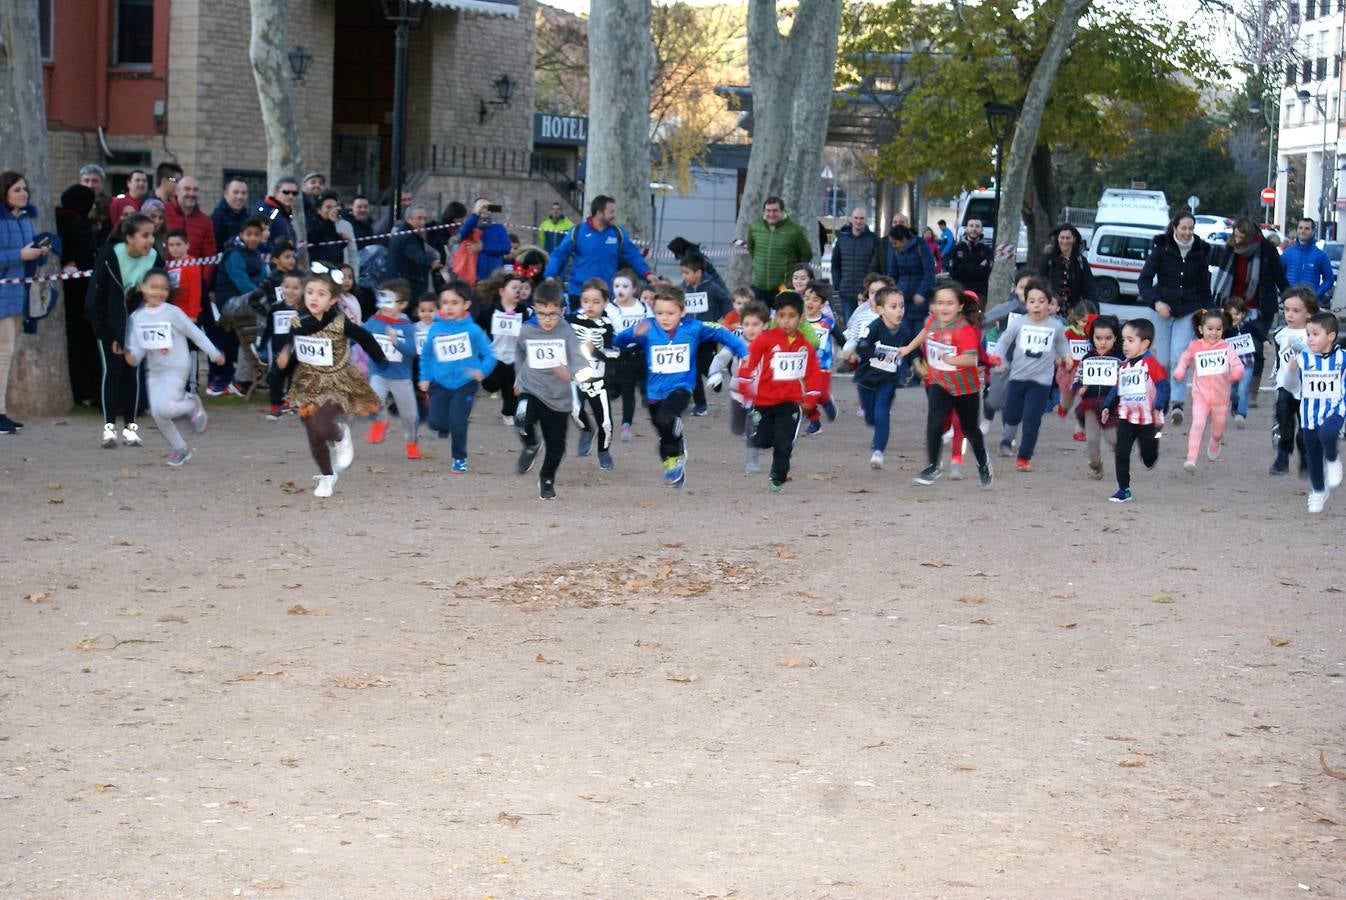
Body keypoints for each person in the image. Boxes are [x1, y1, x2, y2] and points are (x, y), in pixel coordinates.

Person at [614, 283, 748, 488]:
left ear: (682, 312)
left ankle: (675, 432)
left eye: (670, 313)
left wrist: (743, 352)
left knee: (667, 417)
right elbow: (618, 341)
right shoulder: (647, 327)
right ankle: (672, 463)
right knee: (663, 431)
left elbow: (722, 333)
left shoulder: (693, 328)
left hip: (682, 387)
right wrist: (632, 334)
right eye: (659, 313)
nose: (665, 318)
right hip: (654, 391)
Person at [275, 269, 387, 497]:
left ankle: (341, 435)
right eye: (310, 292)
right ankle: (327, 476)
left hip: (337, 381)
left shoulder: (339, 322)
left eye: (321, 294)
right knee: (314, 436)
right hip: (308, 382)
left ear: (332, 300)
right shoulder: (298, 321)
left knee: (322, 424)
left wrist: (380, 358)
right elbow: (290, 340)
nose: (314, 298)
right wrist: (285, 353)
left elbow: (365, 337)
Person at [896, 282, 993, 488]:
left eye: (949, 303)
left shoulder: (964, 329)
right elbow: (925, 332)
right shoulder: (933, 321)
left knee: (970, 430)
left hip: (965, 388)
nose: (943, 308)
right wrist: (908, 348)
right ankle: (933, 465)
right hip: (940, 382)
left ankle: (983, 462)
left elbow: (970, 360)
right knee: (934, 422)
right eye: (939, 303)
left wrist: (950, 360)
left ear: (959, 306)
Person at [122, 269, 223, 466]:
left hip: (177, 367)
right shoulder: (137, 317)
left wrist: (214, 353)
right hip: (155, 371)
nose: (158, 292)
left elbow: (195, 334)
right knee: (158, 413)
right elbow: (136, 352)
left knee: (165, 408)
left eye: (164, 288)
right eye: (154, 287)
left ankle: (192, 405)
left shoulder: (173, 313)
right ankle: (181, 449)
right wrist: (129, 356)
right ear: (143, 288)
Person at [514, 281, 599, 500]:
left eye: (552, 314)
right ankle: (532, 445)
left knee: (557, 446)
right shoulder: (527, 330)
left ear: (562, 310)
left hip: (558, 397)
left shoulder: (567, 333)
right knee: (521, 419)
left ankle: (547, 478)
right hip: (531, 388)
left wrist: (568, 373)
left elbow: (582, 365)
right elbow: (520, 354)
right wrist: (518, 378)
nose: (547, 320)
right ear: (535, 309)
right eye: (542, 314)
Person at [86, 214, 165, 447]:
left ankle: (131, 429)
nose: (150, 240)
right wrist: (108, 335)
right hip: (109, 325)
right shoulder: (110, 257)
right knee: (113, 373)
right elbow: (94, 301)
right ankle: (109, 428)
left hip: (137, 327)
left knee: (133, 375)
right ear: (129, 237)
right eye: (145, 235)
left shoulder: (154, 259)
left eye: (152, 235)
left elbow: (159, 297)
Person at [733, 292, 824, 493]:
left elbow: (813, 373)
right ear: (775, 316)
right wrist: (745, 384)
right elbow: (749, 362)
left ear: (800, 318)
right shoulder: (765, 339)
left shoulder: (804, 346)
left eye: (792, 316)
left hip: (790, 402)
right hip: (763, 401)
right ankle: (758, 427)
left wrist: (811, 396)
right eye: (782, 315)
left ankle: (778, 476)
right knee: (762, 440)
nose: (786, 321)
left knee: (784, 442)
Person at [1137, 212, 1211, 426]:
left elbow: (1204, 289)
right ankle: (1162, 397)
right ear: (1175, 228)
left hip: (1188, 310)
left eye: (1191, 228)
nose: (1187, 233)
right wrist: (1156, 302)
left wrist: (1211, 313)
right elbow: (1144, 281)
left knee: (1179, 357)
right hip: (1162, 309)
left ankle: (1178, 402)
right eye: (1183, 228)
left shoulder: (1200, 253)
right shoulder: (1161, 250)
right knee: (1163, 360)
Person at [992, 277, 1072, 472]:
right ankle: (1007, 439)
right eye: (1032, 301)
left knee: (1032, 419)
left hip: (1041, 381)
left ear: (1049, 304)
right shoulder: (1018, 323)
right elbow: (1003, 342)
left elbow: (1062, 346)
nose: (1037, 306)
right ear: (1026, 303)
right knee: (1011, 414)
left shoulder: (1055, 326)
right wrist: (999, 359)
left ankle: (1024, 457)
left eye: (1042, 301)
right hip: (1017, 376)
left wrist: (1067, 358)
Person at [417, 280, 495, 473]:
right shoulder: (435, 329)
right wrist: (425, 377)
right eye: (444, 303)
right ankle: (444, 424)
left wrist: (482, 371)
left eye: (454, 302)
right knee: (435, 422)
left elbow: (490, 354)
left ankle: (459, 458)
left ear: (466, 305)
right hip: (439, 382)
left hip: (465, 383)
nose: (449, 307)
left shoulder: (473, 330)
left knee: (458, 422)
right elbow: (426, 356)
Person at [0, 171, 57, 434]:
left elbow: (28, 258)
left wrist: (39, 253)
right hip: (3, 293)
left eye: (25, 189)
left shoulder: (25, 219)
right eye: (17, 189)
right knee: (3, 355)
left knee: (6, 355)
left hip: (18, 295)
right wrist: (19, 254)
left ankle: (1, 412)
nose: (23, 193)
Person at [1210, 216, 1286, 403]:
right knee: (1228, 348)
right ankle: (1229, 387)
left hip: (1259, 307)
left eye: (1241, 237)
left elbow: (1279, 277)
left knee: (1256, 348)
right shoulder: (1230, 248)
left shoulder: (1267, 250)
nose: (1237, 240)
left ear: (1251, 236)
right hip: (1231, 307)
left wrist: (1291, 297)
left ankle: (1251, 391)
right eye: (1235, 236)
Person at [1100, 319, 1169, 503]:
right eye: (1123, 340)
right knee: (1121, 452)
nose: (1125, 345)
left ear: (1145, 343)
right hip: (1127, 418)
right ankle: (1124, 489)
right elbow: (1117, 389)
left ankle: (1157, 440)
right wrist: (1108, 406)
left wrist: (1159, 405)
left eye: (1130, 340)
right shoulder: (1124, 366)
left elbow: (1163, 387)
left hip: (1148, 419)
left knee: (1149, 456)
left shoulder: (1152, 364)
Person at [1285, 311, 1346, 512]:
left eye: (1315, 334)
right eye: (1308, 334)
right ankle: (1318, 491)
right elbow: (1290, 386)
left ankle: (1333, 459)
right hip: (1309, 413)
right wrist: (1291, 371)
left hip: (1335, 408)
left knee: (1328, 434)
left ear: (1331, 336)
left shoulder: (1343, 358)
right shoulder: (1302, 358)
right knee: (1312, 454)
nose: (1310, 339)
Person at [1171, 308, 1245, 473]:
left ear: (1223, 329)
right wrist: (1180, 371)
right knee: (1197, 423)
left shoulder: (1226, 347)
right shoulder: (1195, 346)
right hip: (1201, 395)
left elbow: (1237, 364)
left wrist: (1235, 373)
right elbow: (1184, 359)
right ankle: (1191, 458)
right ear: (1200, 329)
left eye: (1218, 329)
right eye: (1210, 329)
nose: (1214, 333)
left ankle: (1215, 441)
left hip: (1221, 397)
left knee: (1218, 429)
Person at [543, 194, 652, 304]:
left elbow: (633, 255)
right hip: (579, 293)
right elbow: (559, 254)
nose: (614, 215)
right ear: (599, 213)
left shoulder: (618, 233)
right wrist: (550, 275)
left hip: (607, 295)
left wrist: (647, 273)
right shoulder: (578, 231)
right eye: (611, 212)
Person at [854, 285, 917, 469]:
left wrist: (917, 364)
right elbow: (862, 347)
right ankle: (875, 429)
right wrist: (879, 352)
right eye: (893, 307)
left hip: (888, 380)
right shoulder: (873, 328)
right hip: (866, 380)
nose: (899, 311)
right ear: (880, 309)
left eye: (902, 306)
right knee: (871, 418)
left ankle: (878, 452)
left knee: (882, 413)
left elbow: (911, 349)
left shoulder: (904, 331)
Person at [209, 216, 267, 395]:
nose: (252, 238)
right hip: (230, 303)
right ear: (241, 235)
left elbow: (266, 280)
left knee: (247, 338)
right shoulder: (233, 254)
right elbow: (242, 284)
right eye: (248, 234)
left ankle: (243, 379)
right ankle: (263, 346)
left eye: (256, 235)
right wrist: (265, 294)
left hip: (250, 302)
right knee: (267, 305)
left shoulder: (257, 255)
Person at [363, 286, 421, 459]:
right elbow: (358, 335)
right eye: (382, 300)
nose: (384, 305)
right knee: (371, 402)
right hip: (378, 373)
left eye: (389, 301)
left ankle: (411, 442)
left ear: (402, 304)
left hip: (401, 377)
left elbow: (412, 351)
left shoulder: (408, 327)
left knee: (410, 416)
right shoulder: (374, 321)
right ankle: (380, 421)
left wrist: (396, 341)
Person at [566, 278, 619, 469]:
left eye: (596, 302)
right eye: (586, 301)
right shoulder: (570, 320)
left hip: (597, 380)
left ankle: (604, 452)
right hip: (574, 378)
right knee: (575, 410)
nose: (590, 306)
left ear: (605, 303)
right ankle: (587, 430)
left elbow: (613, 355)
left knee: (605, 422)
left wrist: (595, 350)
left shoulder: (607, 326)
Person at [55, 184, 100, 407]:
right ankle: (84, 390)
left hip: (71, 293)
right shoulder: (77, 226)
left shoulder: (62, 221)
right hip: (79, 293)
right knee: (83, 343)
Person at [474, 268, 531, 427]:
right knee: (490, 384)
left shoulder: (523, 311)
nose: (518, 291)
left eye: (520, 289)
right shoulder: (491, 309)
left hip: (513, 357)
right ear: (502, 291)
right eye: (514, 288)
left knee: (510, 389)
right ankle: (492, 386)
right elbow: (477, 326)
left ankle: (508, 412)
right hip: (494, 355)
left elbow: (527, 331)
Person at [1269, 287, 1316, 477]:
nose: (1290, 314)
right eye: (1287, 310)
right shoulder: (1280, 334)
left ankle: (1306, 460)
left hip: (1307, 389)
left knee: (1305, 428)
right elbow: (1280, 361)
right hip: (1286, 386)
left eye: (1296, 311)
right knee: (1284, 421)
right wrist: (1276, 379)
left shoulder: (1314, 335)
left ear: (1309, 312)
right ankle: (1282, 458)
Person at [1072, 314, 1124, 480]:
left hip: (1112, 405)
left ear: (1115, 338)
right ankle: (1096, 465)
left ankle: (1122, 459)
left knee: (1113, 438)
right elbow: (1077, 378)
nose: (1103, 342)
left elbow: (1127, 379)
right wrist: (1079, 388)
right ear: (1092, 338)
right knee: (1092, 440)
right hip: (1090, 404)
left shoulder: (1120, 359)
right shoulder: (1087, 358)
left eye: (1108, 338)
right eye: (1098, 338)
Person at [680, 252, 730, 415]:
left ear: (698, 272)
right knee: (691, 368)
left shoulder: (711, 287)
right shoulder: (683, 289)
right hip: (688, 336)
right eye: (683, 273)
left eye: (687, 273)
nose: (684, 276)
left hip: (707, 335)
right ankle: (701, 405)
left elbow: (725, 301)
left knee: (706, 364)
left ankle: (715, 377)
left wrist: (726, 319)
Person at [605, 269, 650, 441]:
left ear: (634, 289)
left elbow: (652, 327)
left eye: (625, 286)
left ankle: (626, 424)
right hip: (617, 354)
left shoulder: (643, 308)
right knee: (617, 386)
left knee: (629, 390)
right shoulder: (609, 308)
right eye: (616, 286)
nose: (620, 290)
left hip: (638, 353)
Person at [746, 196, 813, 306]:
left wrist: (792, 275)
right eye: (768, 210)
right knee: (759, 321)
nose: (771, 214)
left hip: (783, 287)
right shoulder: (754, 227)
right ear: (764, 211)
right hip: (759, 287)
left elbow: (806, 254)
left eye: (775, 211)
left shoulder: (794, 230)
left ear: (782, 211)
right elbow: (752, 250)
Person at [259, 271, 303, 420]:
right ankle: (276, 405)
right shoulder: (276, 308)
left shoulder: (303, 310)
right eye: (287, 286)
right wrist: (262, 345)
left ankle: (291, 402)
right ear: (281, 287)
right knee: (275, 376)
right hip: (278, 351)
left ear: (303, 290)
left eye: (296, 288)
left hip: (297, 351)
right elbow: (269, 329)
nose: (290, 291)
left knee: (295, 376)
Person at [163, 175, 218, 286]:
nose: (191, 194)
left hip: (192, 282)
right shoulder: (163, 212)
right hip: (163, 279)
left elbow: (210, 257)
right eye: (187, 189)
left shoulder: (205, 222)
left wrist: (203, 283)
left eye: (195, 190)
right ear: (177, 192)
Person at [831, 208, 882, 322]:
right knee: (849, 326)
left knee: (866, 326)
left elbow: (877, 265)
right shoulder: (842, 239)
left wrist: (870, 288)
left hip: (867, 293)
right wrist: (838, 284)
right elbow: (835, 264)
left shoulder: (874, 240)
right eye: (856, 218)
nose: (858, 221)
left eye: (861, 218)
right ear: (850, 219)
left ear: (866, 220)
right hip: (846, 291)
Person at [887, 224, 936, 336]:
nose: (893, 246)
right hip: (903, 300)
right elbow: (893, 274)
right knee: (904, 335)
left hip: (920, 301)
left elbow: (929, 271)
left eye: (895, 243)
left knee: (919, 334)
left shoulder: (921, 246)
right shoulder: (896, 252)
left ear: (904, 240)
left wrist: (921, 293)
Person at [386, 204, 441, 294]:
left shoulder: (408, 233)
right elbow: (414, 253)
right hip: (404, 287)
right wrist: (431, 262)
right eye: (419, 218)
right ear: (409, 219)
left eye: (424, 219)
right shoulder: (407, 236)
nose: (423, 222)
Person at [1038, 223, 1096, 307]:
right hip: (1051, 309)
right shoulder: (1048, 259)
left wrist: (1093, 316)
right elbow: (1038, 281)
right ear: (1057, 239)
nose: (1065, 241)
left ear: (1074, 239)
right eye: (1062, 238)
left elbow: (1090, 290)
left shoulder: (1081, 262)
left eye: (1068, 238)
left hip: (1073, 311)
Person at [1280, 217, 1336, 304]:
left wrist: (1315, 295)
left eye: (1307, 229)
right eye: (1300, 228)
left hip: (1310, 305)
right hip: (1290, 302)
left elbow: (1329, 280)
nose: (1303, 231)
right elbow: (1278, 276)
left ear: (1313, 231)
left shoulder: (1320, 255)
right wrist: (1284, 293)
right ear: (1297, 230)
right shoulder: (1287, 253)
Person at [459, 198, 512, 282]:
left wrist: (483, 247)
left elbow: (506, 247)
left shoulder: (498, 228)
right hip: (474, 275)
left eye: (488, 207)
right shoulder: (471, 226)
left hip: (494, 275)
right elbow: (462, 234)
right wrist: (475, 214)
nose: (485, 210)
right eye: (482, 207)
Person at [1223, 298, 1258, 426]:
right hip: (1231, 366)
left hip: (1247, 364)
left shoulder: (1248, 326)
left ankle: (1241, 414)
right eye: (1231, 314)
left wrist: (1265, 341)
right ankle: (1235, 403)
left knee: (1243, 389)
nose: (1234, 317)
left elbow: (1258, 333)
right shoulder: (1226, 330)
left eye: (1237, 314)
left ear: (1243, 314)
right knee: (1232, 391)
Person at [946, 218, 993, 300]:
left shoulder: (987, 250)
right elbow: (953, 273)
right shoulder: (956, 249)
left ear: (981, 230)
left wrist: (962, 266)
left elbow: (985, 274)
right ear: (966, 229)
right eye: (971, 226)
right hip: (959, 293)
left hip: (979, 295)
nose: (974, 229)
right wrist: (977, 267)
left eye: (977, 226)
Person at [253, 176, 300, 248]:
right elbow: (258, 240)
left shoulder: (283, 213)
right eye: (286, 192)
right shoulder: (267, 211)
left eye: (294, 193)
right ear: (275, 193)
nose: (290, 196)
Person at [211, 178, 251, 251]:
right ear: (225, 194)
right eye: (236, 192)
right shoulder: (216, 218)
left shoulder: (249, 219)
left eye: (243, 193)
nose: (240, 197)